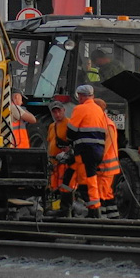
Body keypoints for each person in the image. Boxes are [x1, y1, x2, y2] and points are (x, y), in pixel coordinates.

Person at [66, 84, 110, 217]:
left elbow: (71, 131)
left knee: (87, 181)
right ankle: (93, 209)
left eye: (79, 96)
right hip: (98, 151)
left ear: (81, 96)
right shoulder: (99, 110)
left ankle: (94, 211)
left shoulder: (80, 109)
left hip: (85, 151)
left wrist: (68, 141)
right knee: (91, 178)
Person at [94, 98, 121, 219]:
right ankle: (113, 218)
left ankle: (103, 220)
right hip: (105, 166)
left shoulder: (107, 125)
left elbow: (105, 148)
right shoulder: (103, 123)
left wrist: (96, 160)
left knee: (102, 193)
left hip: (106, 167)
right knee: (107, 193)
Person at [45, 102, 73, 214]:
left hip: (64, 163)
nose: (57, 114)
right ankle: (55, 209)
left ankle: (65, 210)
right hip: (54, 163)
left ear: (64, 111)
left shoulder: (69, 124)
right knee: (53, 186)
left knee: (64, 186)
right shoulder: (52, 126)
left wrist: (67, 152)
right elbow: (50, 142)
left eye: (59, 111)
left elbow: (73, 143)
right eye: (54, 112)